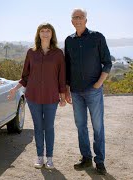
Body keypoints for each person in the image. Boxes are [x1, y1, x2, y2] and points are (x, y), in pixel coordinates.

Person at [8, 23, 66, 169]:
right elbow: (25, 76)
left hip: (51, 97)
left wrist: (63, 95)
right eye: (42, 31)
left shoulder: (58, 53)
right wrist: (15, 88)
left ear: (52, 34)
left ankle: (50, 158)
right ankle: (40, 157)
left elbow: (61, 76)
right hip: (33, 97)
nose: (45, 33)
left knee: (49, 127)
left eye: (48, 31)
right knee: (38, 127)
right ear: (38, 34)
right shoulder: (31, 52)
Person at [64, 8, 112, 175]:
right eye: (75, 17)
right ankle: (86, 157)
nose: (78, 20)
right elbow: (67, 67)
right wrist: (67, 89)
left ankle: (100, 161)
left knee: (98, 127)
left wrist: (99, 83)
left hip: (94, 90)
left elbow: (107, 62)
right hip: (76, 92)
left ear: (86, 20)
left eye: (81, 17)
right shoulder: (68, 41)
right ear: (72, 21)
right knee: (81, 126)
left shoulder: (97, 37)